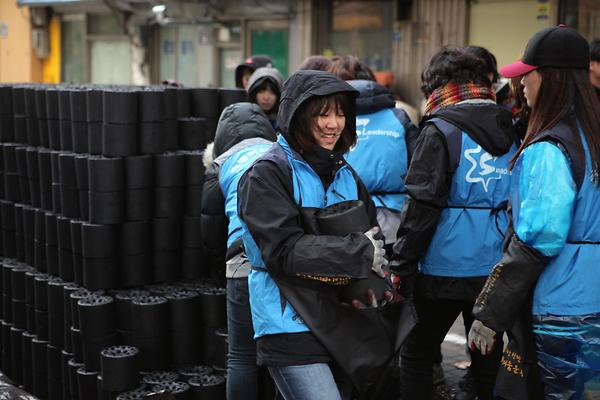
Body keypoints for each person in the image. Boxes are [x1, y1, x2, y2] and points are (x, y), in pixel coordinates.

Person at [237, 70, 410, 400]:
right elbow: (283, 251)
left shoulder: (347, 173)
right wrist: (360, 252)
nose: (334, 124)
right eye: (322, 113)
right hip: (288, 319)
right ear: (298, 115)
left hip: (343, 320)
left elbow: (371, 235)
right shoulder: (267, 173)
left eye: (341, 113)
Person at [470, 25, 600, 399]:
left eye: (528, 74)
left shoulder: (550, 147)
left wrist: (490, 313)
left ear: (551, 77)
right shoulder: (591, 136)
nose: (521, 84)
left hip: (564, 307)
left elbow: (539, 238)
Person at [389, 46, 518, 400]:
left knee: (416, 354)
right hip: (495, 269)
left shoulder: (441, 130)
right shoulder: (514, 126)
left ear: (438, 87)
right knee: (486, 355)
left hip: (442, 269)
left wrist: (401, 264)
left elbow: (422, 205)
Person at [200, 102, 277, 400]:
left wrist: (217, 270)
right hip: (282, 259)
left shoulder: (220, 166)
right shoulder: (282, 155)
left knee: (241, 356)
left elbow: (210, 227)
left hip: (241, 262)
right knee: (279, 350)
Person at [328, 56, 419, 253]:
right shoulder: (399, 116)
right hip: (396, 217)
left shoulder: (329, 120)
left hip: (343, 217)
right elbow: (418, 168)